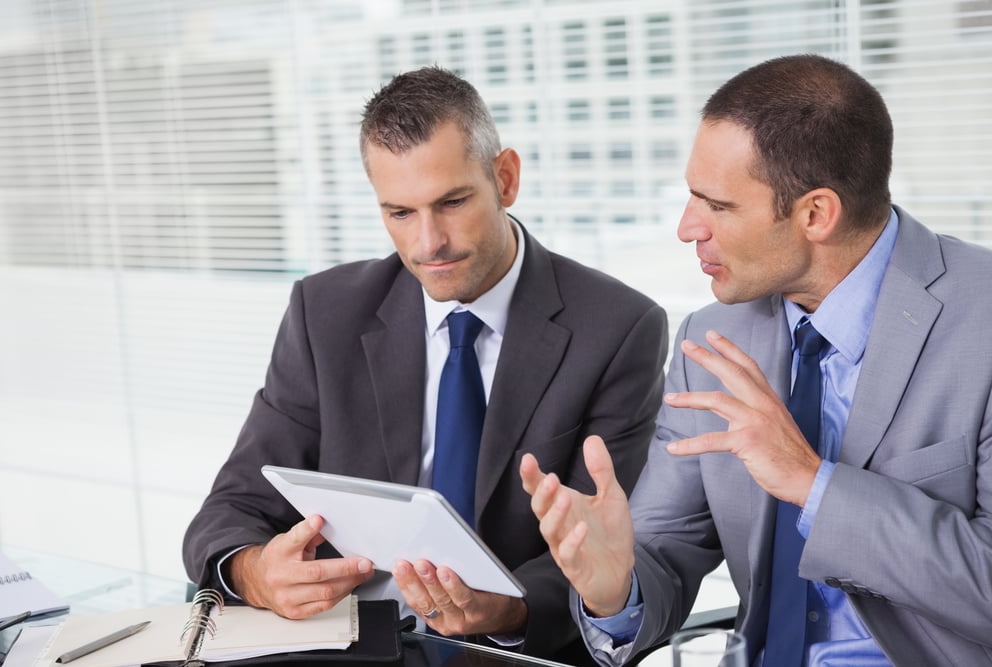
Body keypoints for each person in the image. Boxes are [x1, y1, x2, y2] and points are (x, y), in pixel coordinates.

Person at [521, 53, 992, 666]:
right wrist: (615, 591)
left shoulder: (979, 321)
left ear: (816, 214)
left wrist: (812, 482)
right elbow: (662, 550)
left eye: (716, 206)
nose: (688, 228)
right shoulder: (712, 340)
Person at [182, 65, 667, 659]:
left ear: (505, 178)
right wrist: (257, 572)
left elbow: (606, 549)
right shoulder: (325, 312)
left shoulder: (618, 328)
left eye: (452, 202)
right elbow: (230, 508)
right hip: (347, 644)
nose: (427, 244)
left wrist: (509, 607)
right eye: (400, 213)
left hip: (509, 651)